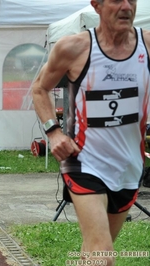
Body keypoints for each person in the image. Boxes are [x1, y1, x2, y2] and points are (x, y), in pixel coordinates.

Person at [32, 1, 149, 265]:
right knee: (102, 254)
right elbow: (40, 88)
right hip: (84, 162)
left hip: (128, 166)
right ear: (96, 4)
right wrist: (54, 132)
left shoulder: (147, 46)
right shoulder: (74, 48)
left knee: (94, 250)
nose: (126, 7)